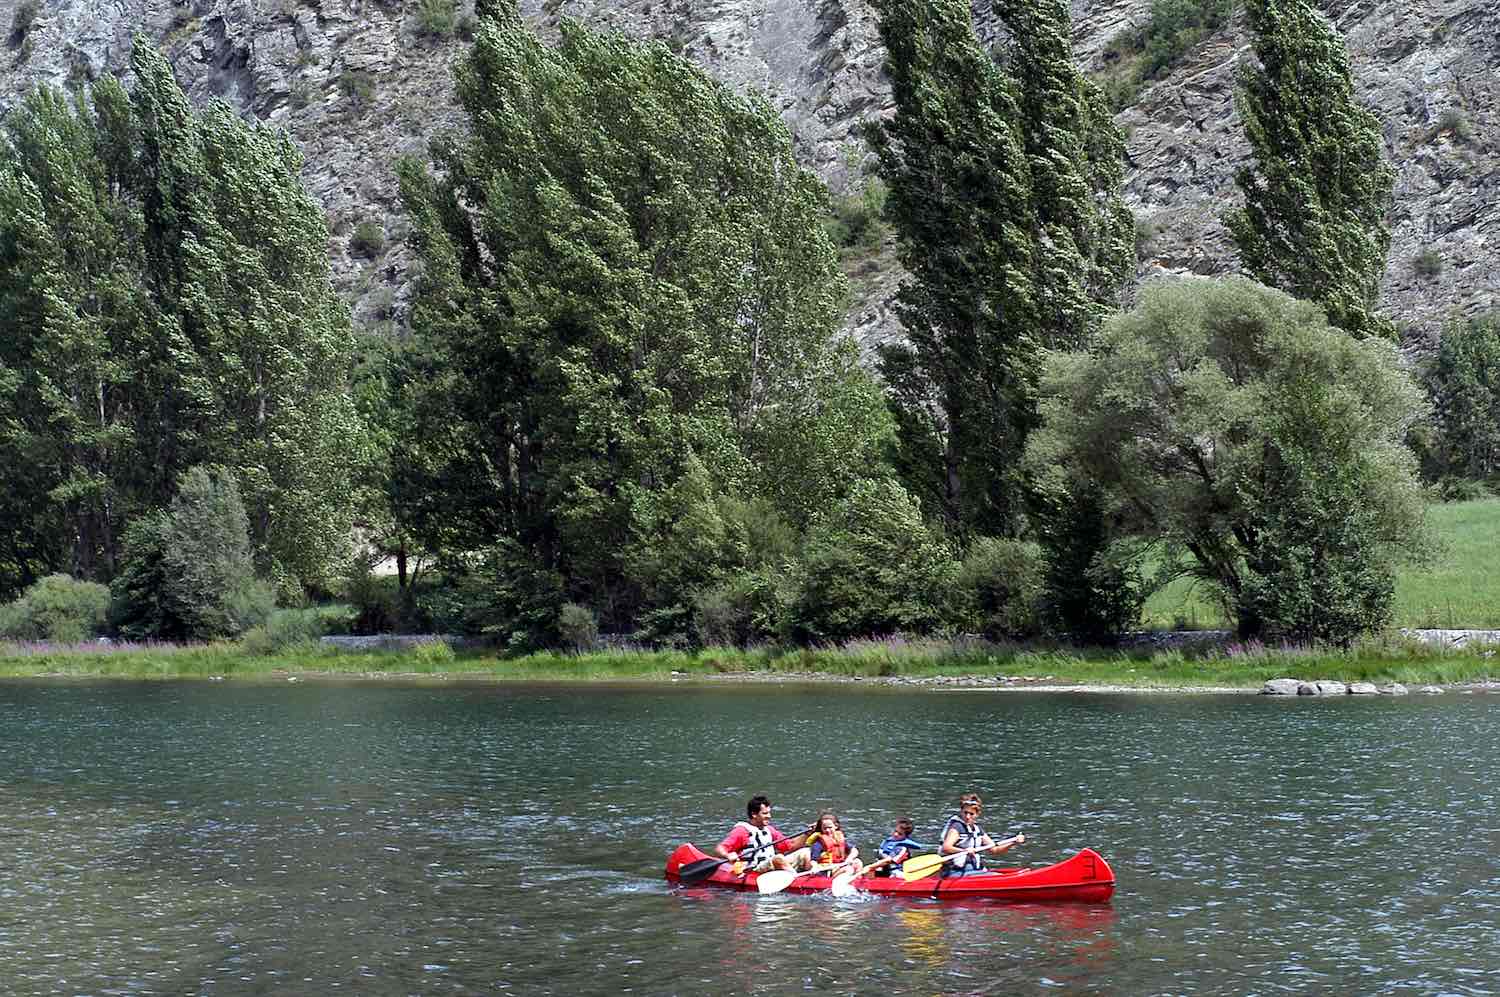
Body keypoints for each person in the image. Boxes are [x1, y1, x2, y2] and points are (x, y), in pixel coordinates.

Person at [715, 795, 813, 873]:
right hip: (754, 869)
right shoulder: (742, 831)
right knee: (778, 858)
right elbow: (720, 848)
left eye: (769, 813)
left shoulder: (769, 830)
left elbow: (790, 846)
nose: (769, 816)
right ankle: (797, 881)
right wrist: (728, 855)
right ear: (754, 814)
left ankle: (813, 878)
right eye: (765, 813)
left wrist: (807, 833)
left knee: (805, 852)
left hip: (770, 865)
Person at [940, 792, 1023, 875]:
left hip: (973, 870)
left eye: (971, 814)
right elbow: (946, 847)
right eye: (965, 812)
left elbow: (995, 850)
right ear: (961, 811)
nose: (967, 816)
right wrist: (964, 850)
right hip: (955, 872)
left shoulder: (978, 830)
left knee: (996, 875)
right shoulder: (956, 827)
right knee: (994, 876)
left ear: (977, 814)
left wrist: (1013, 842)